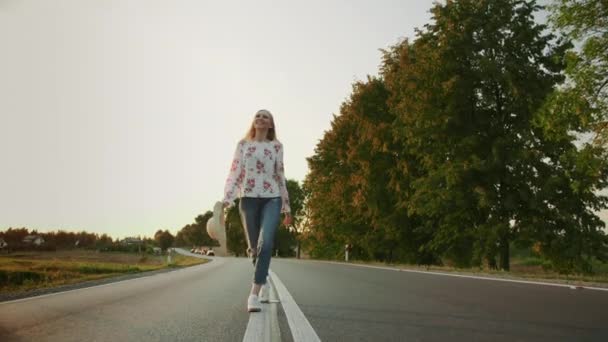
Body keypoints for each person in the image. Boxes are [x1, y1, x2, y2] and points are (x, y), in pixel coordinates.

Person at [222, 109, 292, 312]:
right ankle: (264, 279)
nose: (260, 118)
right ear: (254, 122)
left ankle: (254, 293)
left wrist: (286, 207)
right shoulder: (243, 145)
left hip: (272, 198)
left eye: (265, 116)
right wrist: (227, 198)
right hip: (248, 199)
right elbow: (235, 171)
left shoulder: (277, 146)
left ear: (270, 124)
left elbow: (280, 175)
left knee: (266, 242)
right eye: (258, 116)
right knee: (254, 248)